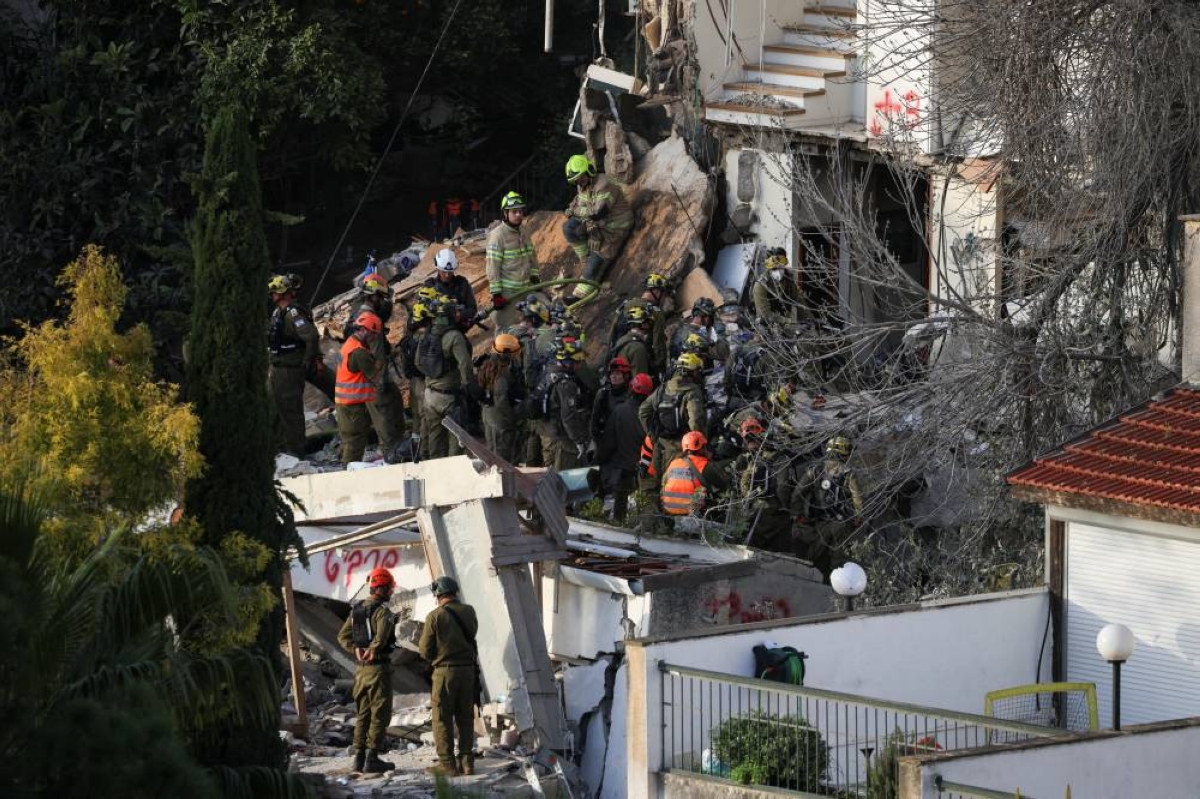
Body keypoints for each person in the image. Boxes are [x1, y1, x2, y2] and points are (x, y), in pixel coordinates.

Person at [337, 567, 397, 774]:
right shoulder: (383, 612)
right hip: (378, 669)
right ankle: (372, 758)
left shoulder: (357, 610)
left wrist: (355, 649)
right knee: (380, 714)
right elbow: (381, 637)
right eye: (388, 588)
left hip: (360, 672)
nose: (390, 592)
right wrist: (372, 650)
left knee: (362, 713)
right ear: (380, 588)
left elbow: (342, 637)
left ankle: (358, 757)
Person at [419, 576, 479, 777]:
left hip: (445, 672)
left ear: (438, 594)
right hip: (468, 671)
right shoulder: (469, 611)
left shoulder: (435, 616)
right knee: (465, 718)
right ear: (455, 591)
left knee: (442, 719)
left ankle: (447, 764)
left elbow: (425, 651)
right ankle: (467, 763)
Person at [638, 353, 708, 510]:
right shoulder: (692, 392)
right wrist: (698, 444)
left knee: (652, 484)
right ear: (690, 372)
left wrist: (653, 434)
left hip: (659, 444)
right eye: (697, 371)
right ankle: (669, 522)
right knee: (672, 483)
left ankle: (650, 520)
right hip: (679, 448)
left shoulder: (663, 388)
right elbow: (696, 421)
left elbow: (643, 411)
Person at [562, 154, 632, 300]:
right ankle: (585, 257)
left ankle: (578, 295)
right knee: (568, 228)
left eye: (580, 178)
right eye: (575, 181)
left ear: (589, 170)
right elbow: (578, 206)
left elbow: (598, 212)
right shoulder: (583, 185)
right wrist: (577, 214)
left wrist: (583, 219)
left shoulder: (604, 184)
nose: (579, 183)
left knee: (595, 261)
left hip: (614, 228)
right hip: (599, 224)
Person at [268, 274, 322, 456]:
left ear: (284, 293)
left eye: (275, 292)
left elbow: (311, 336)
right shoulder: (277, 313)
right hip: (278, 367)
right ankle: (283, 447)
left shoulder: (293, 314)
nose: (272, 295)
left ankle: (295, 451)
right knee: (279, 410)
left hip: (289, 369)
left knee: (291, 412)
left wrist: (308, 359)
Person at [351, 274, 406, 453]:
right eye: (381, 297)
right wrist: (380, 383)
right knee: (385, 419)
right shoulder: (370, 319)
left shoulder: (360, 311)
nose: (383, 301)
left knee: (396, 405)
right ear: (373, 296)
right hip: (374, 379)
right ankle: (391, 453)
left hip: (370, 376)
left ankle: (395, 447)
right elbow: (378, 355)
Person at [795, 435, 865, 574]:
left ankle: (807, 580)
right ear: (844, 453)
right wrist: (859, 516)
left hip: (820, 523)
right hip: (842, 523)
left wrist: (798, 515)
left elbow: (798, 493)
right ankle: (837, 590)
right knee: (839, 560)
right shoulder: (848, 473)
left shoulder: (814, 470)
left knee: (813, 557)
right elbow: (857, 497)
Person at [418, 297, 475, 459]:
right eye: (455, 311)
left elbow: (418, 363)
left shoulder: (426, 335)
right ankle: (453, 475)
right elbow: (465, 365)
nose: (458, 314)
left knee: (435, 438)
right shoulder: (454, 336)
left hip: (429, 395)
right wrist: (468, 386)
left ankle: (436, 474)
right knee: (456, 438)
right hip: (449, 397)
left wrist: (433, 375)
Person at [591, 359, 644, 522]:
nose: (614, 377)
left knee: (623, 483)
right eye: (612, 374)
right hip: (606, 441)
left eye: (618, 374)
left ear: (626, 376)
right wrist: (597, 446)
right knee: (600, 478)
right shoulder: (603, 394)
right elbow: (594, 421)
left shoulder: (631, 395)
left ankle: (621, 516)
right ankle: (597, 510)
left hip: (624, 442)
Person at [527, 340, 591, 470]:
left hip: (544, 432)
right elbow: (568, 416)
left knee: (549, 470)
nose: (580, 365)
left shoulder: (549, 371)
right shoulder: (566, 384)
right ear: (570, 363)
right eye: (578, 362)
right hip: (557, 437)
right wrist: (579, 440)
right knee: (559, 475)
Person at [736, 418, 798, 554]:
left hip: (755, 508)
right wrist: (785, 507)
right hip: (774, 509)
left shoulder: (756, 459)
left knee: (754, 546)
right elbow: (783, 487)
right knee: (780, 549)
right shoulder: (782, 460)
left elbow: (743, 483)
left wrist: (750, 499)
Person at [486, 191, 539, 330]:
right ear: (505, 213)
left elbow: (531, 256)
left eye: (520, 211)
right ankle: (500, 352)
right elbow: (493, 266)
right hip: (508, 292)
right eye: (514, 211)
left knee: (542, 315)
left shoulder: (524, 231)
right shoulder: (497, 235)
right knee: (503, 325)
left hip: (526, 287)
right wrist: (496, 294)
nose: (518, 215)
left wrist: (535, 277)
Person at [336, 311, 384, 464]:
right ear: (364, 330)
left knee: (348, 439)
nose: (374, 337)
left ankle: (343, 463)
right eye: (373, 334)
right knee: (355, 442)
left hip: (343, 402)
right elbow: (375, 375)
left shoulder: (349, 344)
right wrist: (378, 363)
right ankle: (348, 473)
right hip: (353, 405)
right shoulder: (359, 353)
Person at [478, 333, 526, 463]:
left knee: (493, 453)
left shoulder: (488, 365)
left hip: (488, 413)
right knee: (502, 459)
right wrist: (513, 420)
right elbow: (502, 403)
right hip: (500, 419)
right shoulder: (502, 376)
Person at [661, 431, 730, 521]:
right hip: (692, 517)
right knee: (720, 495)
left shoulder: (673, 463)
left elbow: (664, 483)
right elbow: (724, 483)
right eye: (705, 446)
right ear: (701, 448)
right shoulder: (705, 467)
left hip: (668, 514)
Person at [752, 247, 805, 326]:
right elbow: (765, 314)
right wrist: (789, 321)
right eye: (774, 269)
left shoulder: (789, 281)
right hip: (767, 325)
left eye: (781, 268)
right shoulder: (760, 285)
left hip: (785, 323)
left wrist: (809, 320)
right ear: (769, 268)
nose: (778, 272)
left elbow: (799, 302)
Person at [424, 248, 478, 325]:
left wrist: (460, 315)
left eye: (450, 272)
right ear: (437, 269)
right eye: (444, 271)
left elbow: (472, 309)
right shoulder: (429, 285)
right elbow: (422, 311)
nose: (447, 275)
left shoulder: (461, 283)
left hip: (456, 326)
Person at [670, 297, 730, 364]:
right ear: (704, 317)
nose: (712, 320)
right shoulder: (695, 335)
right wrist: (721, 331)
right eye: (711, 317)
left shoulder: (684, 329)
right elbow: (724, 352)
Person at [612, 306, 655, 377]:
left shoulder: (621, 340)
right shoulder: (638, 348)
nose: (649, 327)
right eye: (648, 323)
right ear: (641, 324)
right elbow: (640, 380)